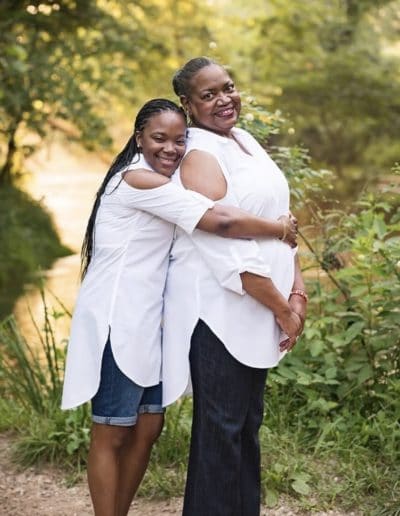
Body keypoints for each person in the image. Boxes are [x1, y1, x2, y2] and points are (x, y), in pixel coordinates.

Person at [61, 98, 299, 516]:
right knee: (112, 431)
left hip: (153, 323)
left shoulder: (161, 181)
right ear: (139, 138)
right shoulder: (138, 181)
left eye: (179, 140)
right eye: (159, 139)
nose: (171, 149)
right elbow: (220, 221)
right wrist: (280, 228)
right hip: (118, 319)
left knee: (149, 427)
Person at [161, 57, 307, 515]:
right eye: (208, 95)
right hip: (219, 315)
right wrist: (282, 308)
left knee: (246, 427)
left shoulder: (243, 140)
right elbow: (227, 250)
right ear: (187, 104)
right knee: (220, 432)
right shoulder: (199, 155)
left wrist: (297, 290)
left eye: (228, 87)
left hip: (259, 308)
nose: (224, 99)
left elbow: (284, 223)